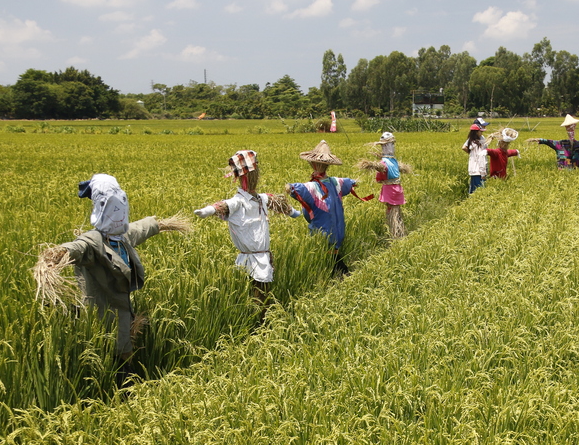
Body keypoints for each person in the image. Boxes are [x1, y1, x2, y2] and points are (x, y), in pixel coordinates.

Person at [33, 173, 190, 379]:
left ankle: (125, 380)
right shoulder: (92, 242)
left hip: (122, 309)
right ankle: (121, 386)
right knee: (110, 352)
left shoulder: (122, 237)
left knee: (124, 348)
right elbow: (75, 248)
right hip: (102, 312)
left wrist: (161, 224)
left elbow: (140, 228)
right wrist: (54, 256)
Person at [192, 150, 295, 317]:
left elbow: (278, 202)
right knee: (247, 294)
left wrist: (293, 212)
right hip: (247, 257)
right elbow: (224, 205)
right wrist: (209, 210)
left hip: (262, 256)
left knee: (262, 295)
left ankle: (261, 321)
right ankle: (253, 320)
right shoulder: (238, 202)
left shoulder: (261, 198)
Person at [287, 140, 365, 277]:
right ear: (328, 164)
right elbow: (349, 182)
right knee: (333, 250)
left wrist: (289, 188)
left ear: (312, 163)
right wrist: (354, 182)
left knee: (325, 253)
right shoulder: (336, 183)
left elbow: (293, 189)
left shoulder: (312, 187)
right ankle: (339, 273)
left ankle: (334, 274)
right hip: (337, 227)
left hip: (322, 229)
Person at [357, 131, 410, 239]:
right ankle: (398, 230)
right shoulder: (393, 161)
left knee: (392, 210)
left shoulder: (384, 163)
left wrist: (373, 167)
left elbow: (380, 174)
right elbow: (398, 170)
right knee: (396, 210)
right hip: (397, 188)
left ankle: (395, 233)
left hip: (390, 189)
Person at [462, 123, 488, 193]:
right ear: (476, 132)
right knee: (479, 190)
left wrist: (471, 153)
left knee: (472, 190)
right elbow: (481, 159)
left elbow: (463, 147)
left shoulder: (471, 141)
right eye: (481, 131)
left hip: (473, 170)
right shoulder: (478, 145)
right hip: (479, 171)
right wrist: (483, 173)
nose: (482, 133)